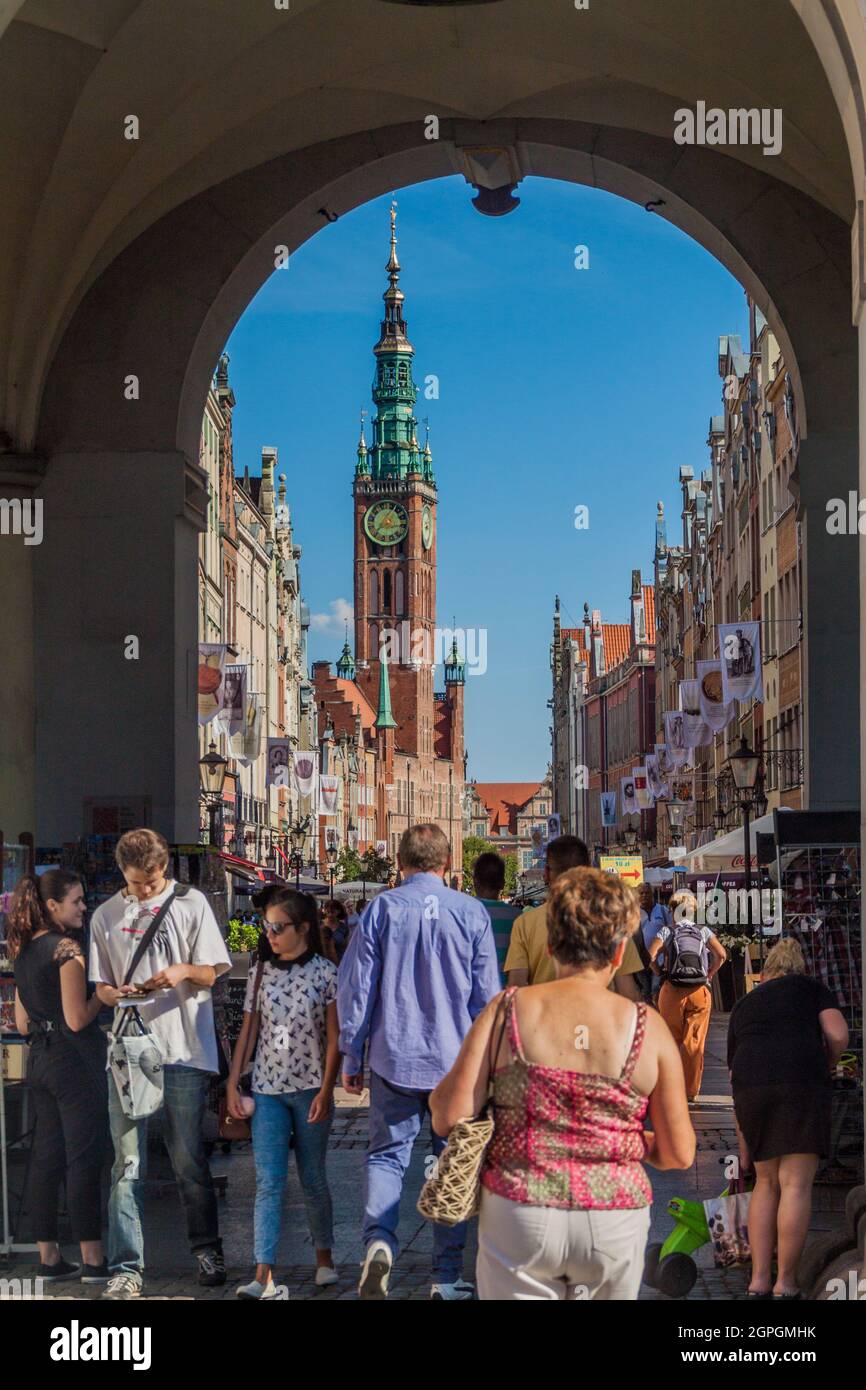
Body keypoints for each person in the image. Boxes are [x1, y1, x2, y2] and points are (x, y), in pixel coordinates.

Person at [431, 867, 695, 1300]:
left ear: (551, 945)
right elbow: (679, 1152)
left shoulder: (506, 1011)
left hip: (521, 1208)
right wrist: (614, 1138)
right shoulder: (647, 1028)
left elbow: (447, 1115)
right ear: (618, 953)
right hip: (613, 1214)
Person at [338, 823, 500, 1301]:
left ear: (399, 864)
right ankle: (446, 1276)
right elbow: (486, 997)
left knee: (387, 1156)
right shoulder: (471, 912)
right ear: (447, 864)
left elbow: (357, 988)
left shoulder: (381, 909)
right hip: (456, 1064)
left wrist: (353, 1050)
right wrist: (488, 1061)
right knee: (452, 1162)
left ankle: (380, 1243)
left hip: (395, 1056)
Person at [89, 827, 232, 1300]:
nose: (143, 890)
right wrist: (118, 994)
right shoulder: (107, 915)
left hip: (183, 1047)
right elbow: (101, 987)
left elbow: (213, 972)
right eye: (135, 883)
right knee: (127, 1163)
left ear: (163, 868)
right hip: (129, 1051)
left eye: (149, 882)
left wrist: (181, 972)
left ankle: (206, 1250)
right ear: (123, 873)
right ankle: (127, 1267)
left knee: (187, 1159)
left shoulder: (191, 905)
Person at [227, 888, 340, 1299]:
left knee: (312, 1178)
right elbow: (248, 1030)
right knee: (268, 1182)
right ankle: (264, 1274)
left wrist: (328, 1090)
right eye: (266, 926)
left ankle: (324, 1258)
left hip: (310, 1088)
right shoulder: (260, 971)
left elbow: (334, 1037)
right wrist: (232, 1081)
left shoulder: (326, 973)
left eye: (278, 927)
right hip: (268, 1090)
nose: (270, 934)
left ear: (303, 928)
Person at [727, 938, 848, 1299]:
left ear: (766, 972)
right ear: (801, 968)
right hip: (800, 1081)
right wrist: (828, 1061)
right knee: (795, 1184)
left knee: (766, 1183)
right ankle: (786, 1282)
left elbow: (735, 1077)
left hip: (752, 1089)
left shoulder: (745, 1004)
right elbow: (838, 1034)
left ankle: (759, 1279)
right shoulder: (811, 989)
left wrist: (744, 1144)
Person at [8, 869, 109, 1283]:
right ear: (53, 906)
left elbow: (22, 1022)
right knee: (84, 1156)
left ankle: (48, 1257)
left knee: (45, 1157)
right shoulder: (67, 950)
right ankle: (93, 1259)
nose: (84, 907)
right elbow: (77, 1018)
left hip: (40, 1061)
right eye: (77, 901)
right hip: (74, 1062)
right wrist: (100, 996)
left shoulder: (23, 950)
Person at [504, 836, 646, 1000]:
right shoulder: (611, 919)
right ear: (588, 869)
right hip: (602, 1019)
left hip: (544, 1019)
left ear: (547, 873)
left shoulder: (525, 923)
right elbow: (628, 991)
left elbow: (516, 987)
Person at [648, 889, 727, 1102]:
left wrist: (660, 973)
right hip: (699, 990)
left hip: (672, 990)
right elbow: (721, 955)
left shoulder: (667, 931)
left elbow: (650, 956)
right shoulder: (703, 931)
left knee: (671, 1040)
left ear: (673, 911)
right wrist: (708, 974)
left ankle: (671, 1087)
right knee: (694, 1042)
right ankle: (690, 1091)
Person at [473, 851, 519, 984]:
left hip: (472, 994)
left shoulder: (463, 914)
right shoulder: (517, 918)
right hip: (504, 992)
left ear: (475, 881)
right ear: (502, 884)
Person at [320, 898, 350, 965]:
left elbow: (346, 947)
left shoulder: (344, 928)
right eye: (328, 912)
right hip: (322, 964)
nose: (330, 914)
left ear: (339, 911)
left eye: (332, 912)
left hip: (340, 963)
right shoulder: (319, 925)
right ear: (324, 911)